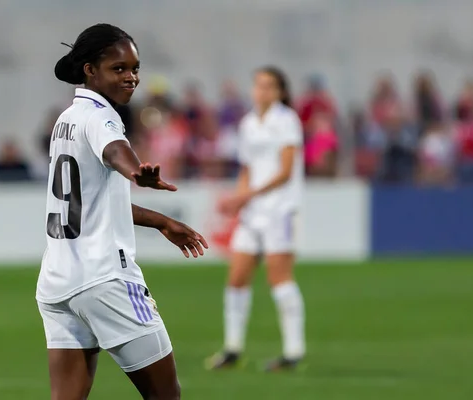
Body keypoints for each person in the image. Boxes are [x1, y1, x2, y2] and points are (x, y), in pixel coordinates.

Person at [36, 24, 208, 400]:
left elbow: (96, 202)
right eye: (119, 68)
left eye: (134, 68)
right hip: (105, 279)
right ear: (90, 70)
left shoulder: (66, 119)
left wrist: (161, 221)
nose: (131, 77)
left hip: (58, 283)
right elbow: (117, 153)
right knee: (166, 395)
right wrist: (137, 172)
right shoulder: (102, 117)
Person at [205, 66, 306, 371]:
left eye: (268, 86)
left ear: (279, 92)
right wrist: (239, 199)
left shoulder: (286, 121)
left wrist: (244, 197)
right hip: (253, 212)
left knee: (279, 278)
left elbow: (286, 172)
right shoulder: (249, 123)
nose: (261, 91)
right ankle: (233, 348)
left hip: (279, 209)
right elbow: (247, 168)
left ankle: (293, 350)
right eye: (258, 85)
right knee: (237, 278)